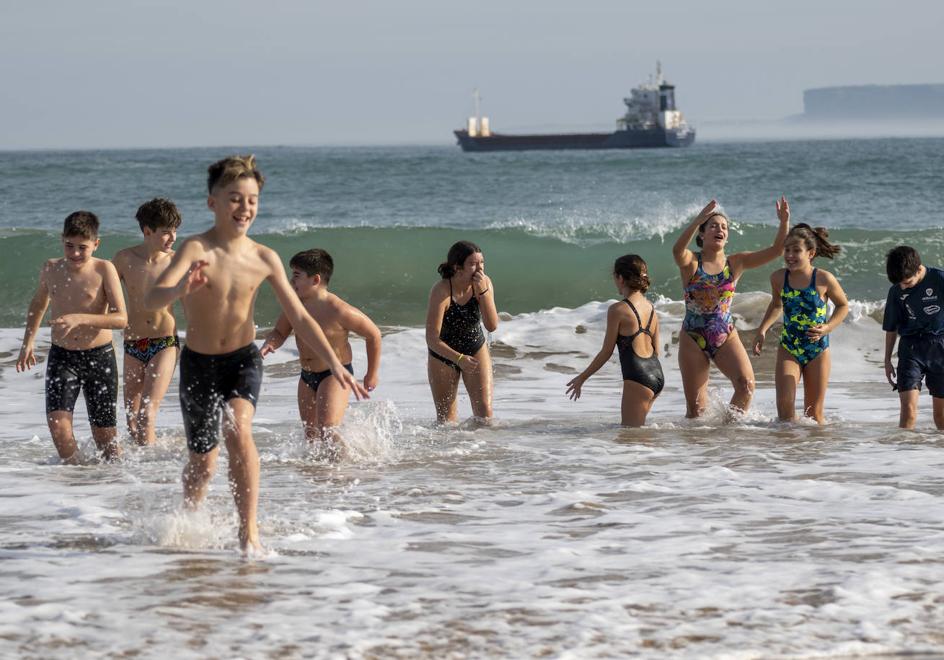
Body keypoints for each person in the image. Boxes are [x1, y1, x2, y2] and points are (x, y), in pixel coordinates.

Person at [144, 155, 368, 553]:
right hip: (199, 363)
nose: (244, 207)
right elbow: (153, 297)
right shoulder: (196, 248)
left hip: (241, 360)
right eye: (234, 198)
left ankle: (248, 533)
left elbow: (299, 315)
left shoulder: (264, 257)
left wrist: (336, 364)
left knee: (238, 427)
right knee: (203, 462)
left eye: (251, 199)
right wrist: (180, 290)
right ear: (212, 202)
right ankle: (187, 523)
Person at [16, 211, 128, 463]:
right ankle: (79, 480)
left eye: (82, 247)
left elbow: (121, 319)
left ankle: (114, 483)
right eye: (69, 246)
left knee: (105, 436)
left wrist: (81, 318)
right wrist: (28, 343)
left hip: (99, 358)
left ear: (96, 244)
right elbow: (38, 304)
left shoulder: (104, 269)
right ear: (62, 240)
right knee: (58, 426)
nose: (75, 253)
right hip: (62, 357)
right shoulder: (51, 268)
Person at [672, 198, 790, 418]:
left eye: (724, 227)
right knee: (696, 410)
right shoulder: (691, 262)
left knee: (746, 386)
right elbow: (677, 250)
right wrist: (698, 219)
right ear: (702, 234)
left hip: (724, 333)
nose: (720, 229)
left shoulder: (736, 263)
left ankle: (727, 432)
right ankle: (696, 448)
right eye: (714, 226)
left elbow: (776, 250)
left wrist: (784, 222)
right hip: (692, 337)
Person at [261, 248, 381, 458]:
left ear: (315, 279)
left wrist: (372, 373)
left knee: (327, 429)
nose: (291, 281)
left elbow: (374, 335)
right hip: (306, 375)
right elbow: (280, 331)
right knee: (311, 436)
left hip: (335, 374)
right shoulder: (295, 306)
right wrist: (271, 343)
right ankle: (321, 481)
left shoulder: (338, 310)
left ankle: (348, 467)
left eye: (296, 276)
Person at [752, 224, 848, 423]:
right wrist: (762, 329)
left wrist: (828, 327)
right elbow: (777, 305)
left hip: (817, 349)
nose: (790, 255)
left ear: (810, 253)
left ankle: (813, 451)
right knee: (785, 412)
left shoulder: (823, 278)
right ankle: (788, 450)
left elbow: (842, 306)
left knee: (813, 415)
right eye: (787, 250)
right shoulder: (779, 278)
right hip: (789, 346)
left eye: (796, 250)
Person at [113, 198, 182, 446]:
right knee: (131, 419)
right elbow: (104, 293)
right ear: (147, 231)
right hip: (133, 344)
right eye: (166, 232)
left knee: (146, 413)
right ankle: (138, 473)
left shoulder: (177, 261)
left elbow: (194, 304)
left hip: (164, 343)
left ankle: (150, 471)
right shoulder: (124, 259)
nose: (173, 238)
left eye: (175, 231)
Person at [566, 255, 664, 426]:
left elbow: (606, 351)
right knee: (640, 439)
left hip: (638, 377)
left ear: (620, 278)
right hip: (656, 375)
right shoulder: (650, 307)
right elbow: (657, 349)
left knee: (631, 440)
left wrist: (582, 378)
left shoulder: (618, 310)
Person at [426, 240, 499, 423]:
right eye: (473, 264)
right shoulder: (442, 290)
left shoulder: (484, 283)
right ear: (458, 267)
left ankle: (481, 450)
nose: (479, 268)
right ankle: (454, 452)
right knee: (446, 421)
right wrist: (458, 358)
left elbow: (491, 326)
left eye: (482, 262)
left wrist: (483, 293)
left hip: (474, 346)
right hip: (443, 353)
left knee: (485, 415)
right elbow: (432, 338)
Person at [881, 246, 944, 429]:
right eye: (899, 283)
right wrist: (886, 359)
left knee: (941, 418)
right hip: (911, 349)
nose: (903, 286)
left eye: (907, 283)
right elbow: (891, 328)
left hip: (940, 347)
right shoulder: (896, 290)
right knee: (908, 411)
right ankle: (904, 455)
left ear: (919, 269)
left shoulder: (939, 279)